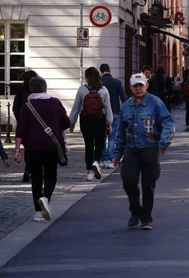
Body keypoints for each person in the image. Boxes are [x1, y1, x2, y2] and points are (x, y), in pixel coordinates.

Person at [113, 73, 175, 230]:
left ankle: (146, 217)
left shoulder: (155, 103)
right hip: (131, 148)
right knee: (128, 180)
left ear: (146, 86)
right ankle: (135, 210)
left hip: (149, 148)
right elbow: (120, 131)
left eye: (141, 85)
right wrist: (116, 153)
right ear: (130, 87)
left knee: (148, 184)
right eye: (135, 86)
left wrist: (162, 143)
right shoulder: (126, 106)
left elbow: (168, 123)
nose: (138, 88)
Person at [14, 76, 71, 221]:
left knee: (37, 178)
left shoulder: (27, 106)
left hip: (32, 148)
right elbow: (66, 123)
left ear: (31, 89)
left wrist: (17, 151)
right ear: (45, 87)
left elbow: (20, 130)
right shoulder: (55, 102)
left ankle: (38, 212)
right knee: (51, 175)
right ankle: (45, 198)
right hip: (52, 146)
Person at [69, 67, 114, 181]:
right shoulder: (104, 90)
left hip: (85, 120)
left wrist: (72, 122)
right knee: (99, 144)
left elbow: (76, 107)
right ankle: (96, 162)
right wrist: (109, 123)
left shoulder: (82, 90)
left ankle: (89, 173)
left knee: (89, 145)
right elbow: (108, 108)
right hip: (100, 120)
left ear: (87, 77)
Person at [12, 69, 38, 183]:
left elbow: (15, 108)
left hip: (24, 125)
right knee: (36, 148)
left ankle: (28, 170)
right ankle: (32, 170)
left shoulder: (20, 91)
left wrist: (21, 120)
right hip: (36, 124)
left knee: (28, 149)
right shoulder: (37, 92)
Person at [100, 63, 127, 169]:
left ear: (101, 72)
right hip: (115, 112)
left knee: (102, 137)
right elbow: (123, 98)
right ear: (110, 71)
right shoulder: (117, 82)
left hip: (101, 113)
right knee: (112, 137)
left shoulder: (99, 83)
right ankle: (111, 159)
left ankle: (103, 159)